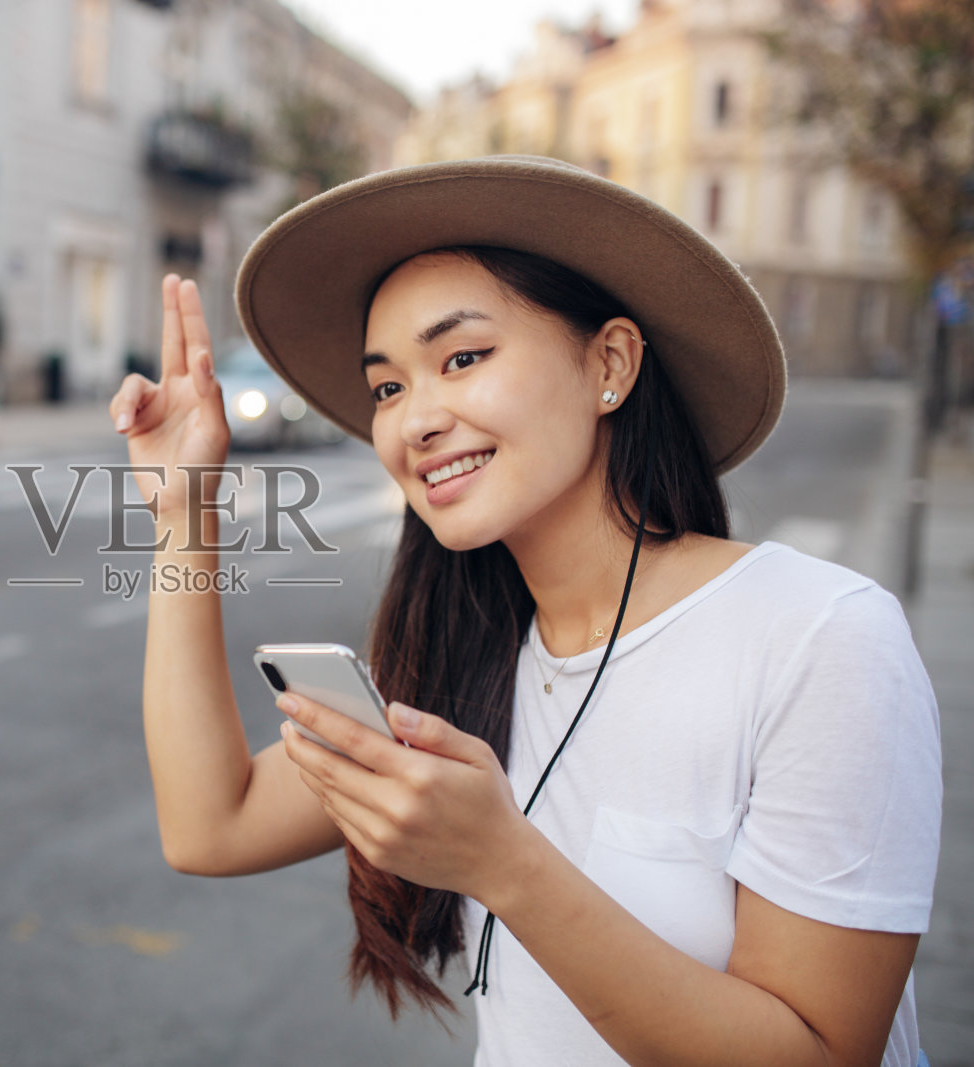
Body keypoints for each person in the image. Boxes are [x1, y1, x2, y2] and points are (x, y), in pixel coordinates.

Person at [107, 156, 941, 1066]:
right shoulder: (463, 657)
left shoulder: (818, 637)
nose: (413, 420)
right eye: (387, 386)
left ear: (610, 363)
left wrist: (503, 862)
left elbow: (823, 1050)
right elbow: (209, 824)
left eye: (462, 357)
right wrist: (184, 515)